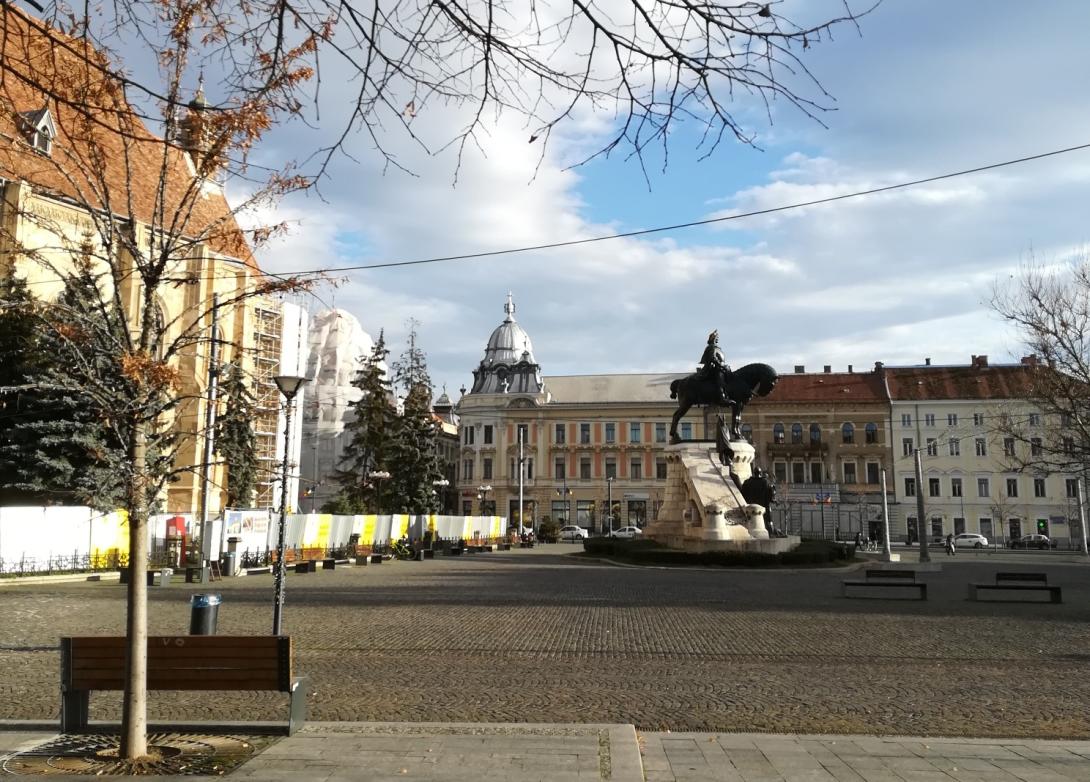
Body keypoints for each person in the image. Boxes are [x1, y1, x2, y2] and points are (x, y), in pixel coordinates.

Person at [697, 330, 731, 404]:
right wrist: (720, 365)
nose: (717, 339)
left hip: (721, 367)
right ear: (713, 339)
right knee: (720, 377)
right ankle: (722, 397)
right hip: (713, 368)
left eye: (718, 337)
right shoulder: (711, 347)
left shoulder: (717, 348)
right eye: (716, 337)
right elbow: (713, 358)